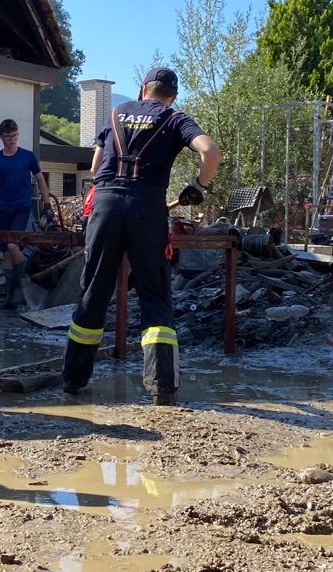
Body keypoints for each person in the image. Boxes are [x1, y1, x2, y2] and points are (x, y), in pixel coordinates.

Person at [62, 67, 219, 406]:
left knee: (95, 290)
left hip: (105, 205)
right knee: (154, 294)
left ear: (142, 89)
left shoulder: (116, 113)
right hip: (147, 208)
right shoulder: (175, 118)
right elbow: (210, 152)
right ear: (172, 96)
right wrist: (198, 187)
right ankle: (161, 387)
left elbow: (94, 168)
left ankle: (73, 379)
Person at [0, 118, 53, 310]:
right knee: (6, 253)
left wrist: (47, 205)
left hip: (22, 207)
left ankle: (23, 278)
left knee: (13, 245)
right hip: (3, 208)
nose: (12, 139)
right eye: (8, 137)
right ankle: (10, 298)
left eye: (14, 136)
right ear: (1, 137)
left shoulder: (27, 156)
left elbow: (40, 179)